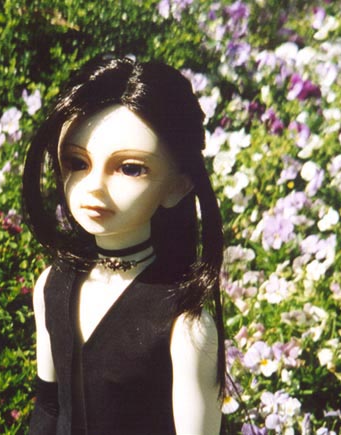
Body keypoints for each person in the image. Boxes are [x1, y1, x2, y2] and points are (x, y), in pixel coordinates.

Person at [22, 56, 226, 435]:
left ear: (178, 185)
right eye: (77, 163)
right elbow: (48, 406)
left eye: (130, 168)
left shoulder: (185, 326)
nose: (94, 187)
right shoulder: (52, 284)